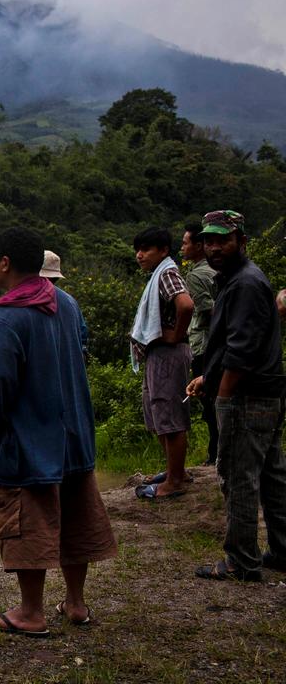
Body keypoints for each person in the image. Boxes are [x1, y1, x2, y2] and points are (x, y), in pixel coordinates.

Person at [0, 226, 116, 637]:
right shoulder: (67, 303)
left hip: (30, 438)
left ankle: (30, 612)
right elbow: (79, 348)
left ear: (4, 262)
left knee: (28, 520)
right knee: (77, 514)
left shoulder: (6, 317)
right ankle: (75, 604)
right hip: (74, 432)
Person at [186, 210, 286, 582]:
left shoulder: (244, 283)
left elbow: (241, 351)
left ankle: (242, 561)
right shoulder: (237, 279)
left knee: (239, 476)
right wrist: (206, 378)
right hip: (267, 393)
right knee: (273, 475)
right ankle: (282, 549)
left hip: (247, 397)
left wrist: (223, 398)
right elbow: (231, 343)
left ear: (241, 242)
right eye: (208, 241)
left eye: (222, 240)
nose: (214, 247)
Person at [130, 227, 194, 499]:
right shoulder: (161, 272)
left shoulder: (166, 272)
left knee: (170, 417)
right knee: (158, 414)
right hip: (159, 355)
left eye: (146, 249)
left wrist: (175, 336)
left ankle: (175, 482)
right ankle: (174, 471)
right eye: (138, 249)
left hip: (168, 354)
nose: (139, 255)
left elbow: (186, 305)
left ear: (164, 251)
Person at [182, 221, 219, 464]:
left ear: (198, 246)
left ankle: (215, 453)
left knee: (209, 403)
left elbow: (206, 309)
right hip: (221, 346)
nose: (182, 247)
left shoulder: (195, 275)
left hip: (204, 345)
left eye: (185, 243)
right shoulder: (216, 271)